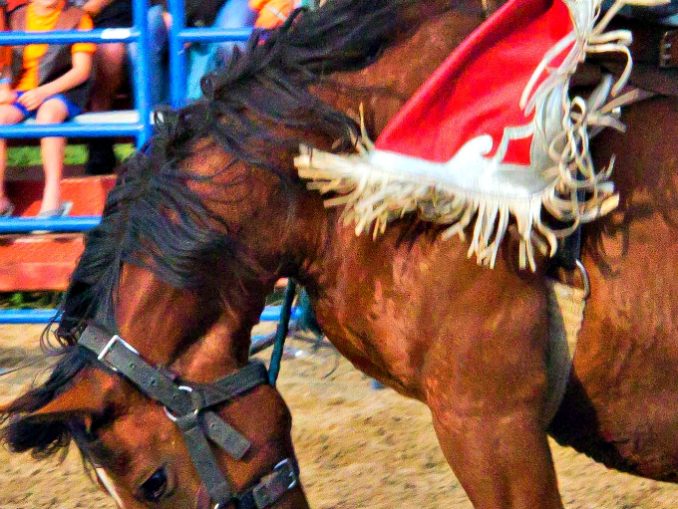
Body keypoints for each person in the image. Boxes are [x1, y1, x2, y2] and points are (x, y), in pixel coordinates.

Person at [0, 0, 95, 217]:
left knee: (48, 114)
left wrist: (43, 92)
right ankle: (1, 200)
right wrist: (5, 87)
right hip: (23, 91)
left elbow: (81, 71)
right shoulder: (16, 18)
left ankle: (53, 198)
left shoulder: (78, 18)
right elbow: (5, 63)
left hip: (61, 89)